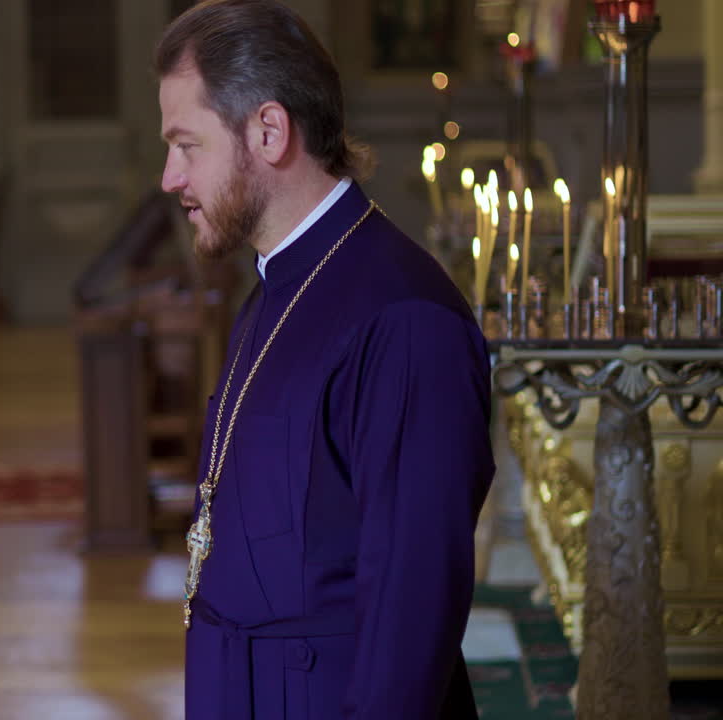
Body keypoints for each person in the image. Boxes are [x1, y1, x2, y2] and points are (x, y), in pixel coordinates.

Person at [156, 1, 494, 717]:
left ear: (269, 131)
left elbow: (410, 622)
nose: (169, 178)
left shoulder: (404, 321)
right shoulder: (276, 282)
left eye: (187, 146)